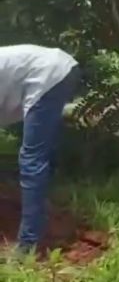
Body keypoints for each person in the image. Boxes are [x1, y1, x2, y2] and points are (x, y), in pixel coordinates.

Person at [0, 45, 82, 254]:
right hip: (53, 69)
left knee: (31, 158)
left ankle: (28, 244)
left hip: (48, 73)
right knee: (32, 157)